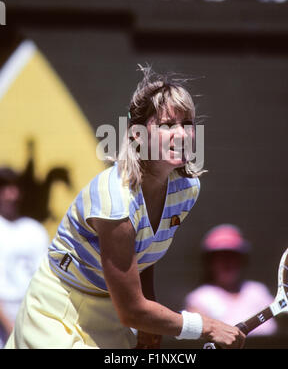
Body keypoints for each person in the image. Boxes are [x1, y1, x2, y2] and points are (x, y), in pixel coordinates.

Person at [5, 66, 245, 349]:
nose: (181, 134)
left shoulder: (187, 190)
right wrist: (206, 326)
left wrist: (150, 323)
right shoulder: (115, 199)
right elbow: (131, 309)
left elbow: (143, 257)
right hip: (58, 309)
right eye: (168, 125)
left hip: (112, 312)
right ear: (138, 136)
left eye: (187, 124)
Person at [184, 224, 277, 336]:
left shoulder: (258, 291)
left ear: (242, 260)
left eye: (232, 256)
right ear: (209, 262)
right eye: (221, 257)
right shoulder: (199, 298)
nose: (227, 263)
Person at [0, 168, 49, 348]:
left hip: (33, 313)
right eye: (4, 189)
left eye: (14, 188)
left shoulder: (35, 229)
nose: (10, 195)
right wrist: (10, 327)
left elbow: (45, 278)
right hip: (5, 317)